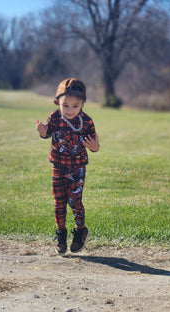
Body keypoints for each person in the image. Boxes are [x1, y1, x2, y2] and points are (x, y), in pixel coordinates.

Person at [36, 78, 99, 254]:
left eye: (75, 106)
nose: (70, 110)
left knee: (74, 200)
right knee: (59, 202)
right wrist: (42, 132)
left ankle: (80, 231)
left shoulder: (86, 121)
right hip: (58, 166)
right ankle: (61, 235)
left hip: (77, 168)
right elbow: (47, 133)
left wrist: (94, 147)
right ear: (58, 102)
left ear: (83, 104)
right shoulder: (55, 116)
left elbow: (95, 144)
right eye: (65, 105)